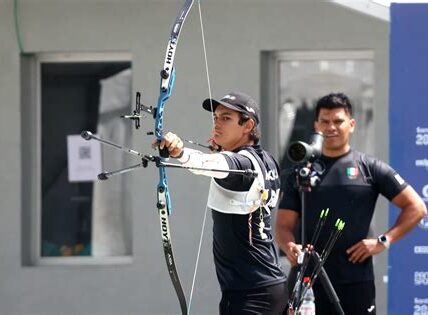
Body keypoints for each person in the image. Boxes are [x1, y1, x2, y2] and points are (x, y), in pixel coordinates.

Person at [275, 93, 427, 315]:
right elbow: (283, 226)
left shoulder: (369, 167)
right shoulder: (302, 171)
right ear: (316, 125)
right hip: (307, 283)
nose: (331, 127)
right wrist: (290, 247)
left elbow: (417, 208)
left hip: (355, 284)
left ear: (352, 124)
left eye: (338, 121)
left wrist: (383, 241)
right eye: (325, 121)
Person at [159, 91, 288, 314]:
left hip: (249, 294)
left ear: (247, 125)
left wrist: (179, 151)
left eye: (226, 118)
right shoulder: (267, 160)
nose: (217, 124)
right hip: (271, 287)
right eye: (216, 118)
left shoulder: (241, 163)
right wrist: (223, 150)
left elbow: (210, 164)